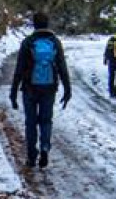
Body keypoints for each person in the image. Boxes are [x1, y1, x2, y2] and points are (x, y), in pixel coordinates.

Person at [9, 10, 71, 169]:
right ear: (47, 23)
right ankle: (44, 148)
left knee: (31, 122)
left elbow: (19, 68)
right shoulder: (55, 42)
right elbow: (62, 67)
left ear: (34, 24)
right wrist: (67, 88)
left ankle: (31, 156)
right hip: (49, 87)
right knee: (46, 120)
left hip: (29, 87)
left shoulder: (28, 42)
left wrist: (14, 92)